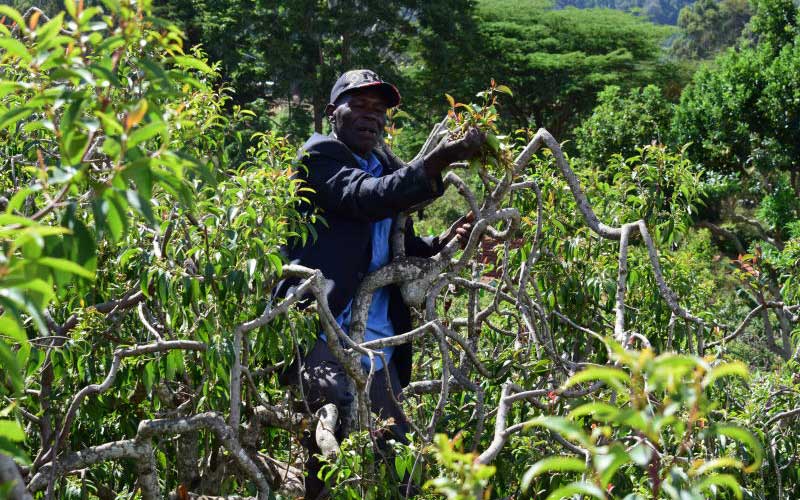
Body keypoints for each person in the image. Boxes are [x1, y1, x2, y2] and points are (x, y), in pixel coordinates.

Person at [275, 69, 484, 499]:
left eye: (380, 110)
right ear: (334, 112)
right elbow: (365, 197)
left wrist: (442, 242)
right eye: (360, 106)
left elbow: (398, 246)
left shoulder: (384, 165)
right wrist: (440, 159)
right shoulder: (319, 157)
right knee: (330, 447)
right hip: (324, 332)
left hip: (379, 340)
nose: (372, 117)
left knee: (401, 453)